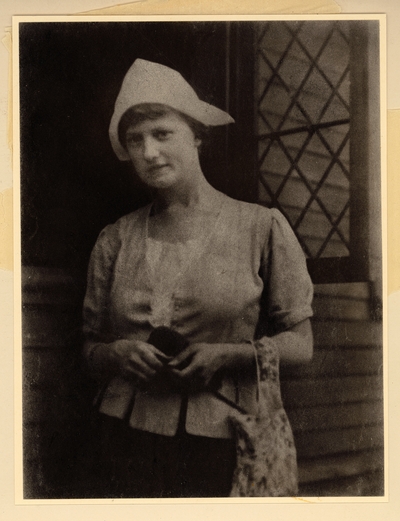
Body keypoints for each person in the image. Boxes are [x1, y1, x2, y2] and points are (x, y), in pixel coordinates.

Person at [82, 58, 314, 498]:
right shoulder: (115, 239)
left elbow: (302, 344)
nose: (149, 152)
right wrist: (117, 354)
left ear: (197, 135)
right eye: (136, 140)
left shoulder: (260, 228)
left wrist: (228, 356)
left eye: (162, 133)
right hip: (122, 439)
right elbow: (88, 347)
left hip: (218, 444)